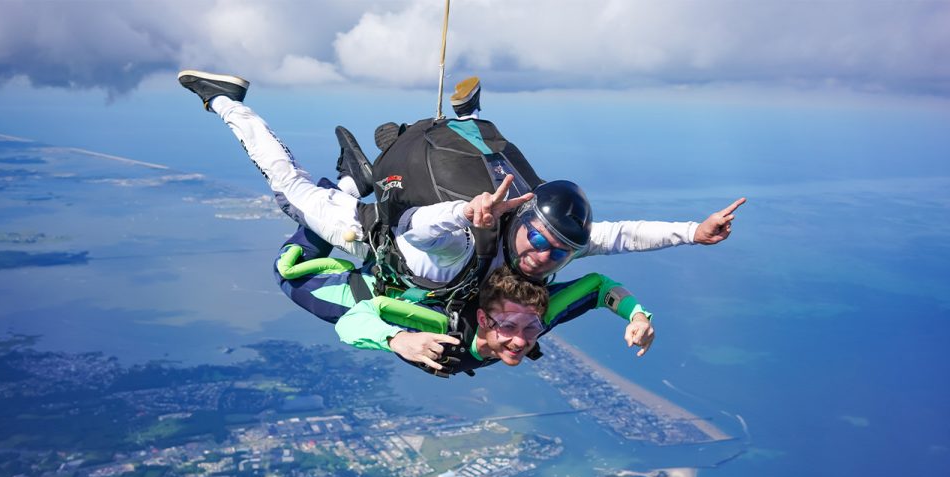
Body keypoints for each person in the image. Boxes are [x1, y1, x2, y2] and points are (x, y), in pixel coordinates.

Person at [176, 70, 740, 308]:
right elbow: (419, 229)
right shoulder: (482, 237)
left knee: (495, 159)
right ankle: (226, 100)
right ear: (525, 220)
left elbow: (619, 236)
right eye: (541, 240)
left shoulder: (543, 239)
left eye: (558, 251)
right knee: (287, 187)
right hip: (366, 233)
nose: (542, 257)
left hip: (434, 218)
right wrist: (467, 212)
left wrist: (694, 232)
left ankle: (365, 165)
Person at [275, 221, 655, 377]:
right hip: (365, 297)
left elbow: (599, 287)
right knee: (288, 272)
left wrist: (636, 316)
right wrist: (398, 340)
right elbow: (355, 319)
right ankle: (340, 190)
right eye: (509, 327)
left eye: (531, 327)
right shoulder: (438, 326)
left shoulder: (540, 315)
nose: (522, 340)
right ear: (486, 320)